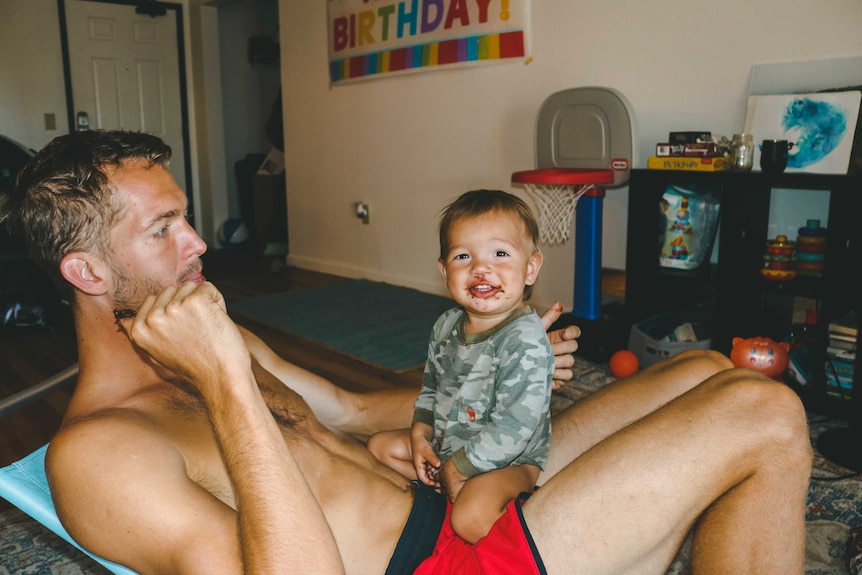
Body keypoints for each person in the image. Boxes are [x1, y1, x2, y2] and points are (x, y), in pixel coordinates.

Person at [0, 129, 812, 575]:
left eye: (185, 216)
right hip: (444, 568)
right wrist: (225, 383)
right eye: (163, 229)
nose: (200, 241)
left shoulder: (215, 335)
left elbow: (351, 410)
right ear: (87, 271)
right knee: (762, 412)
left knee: (704, 372)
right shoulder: (99, 455)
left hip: (460, 498)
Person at [368, 190, 554, 543]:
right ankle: (445, 497)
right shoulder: (445, 325)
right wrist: (421, 435)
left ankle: (529, 535)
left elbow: (517, 426)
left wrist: (460, 467)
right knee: (379, 448)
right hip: (448, 444)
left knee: (470, 518)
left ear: (530, 268)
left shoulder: (524, 338)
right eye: (463, 256)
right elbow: (430, 388)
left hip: (509, 461)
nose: (481, 268)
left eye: (500, 253)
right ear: (444, 270)